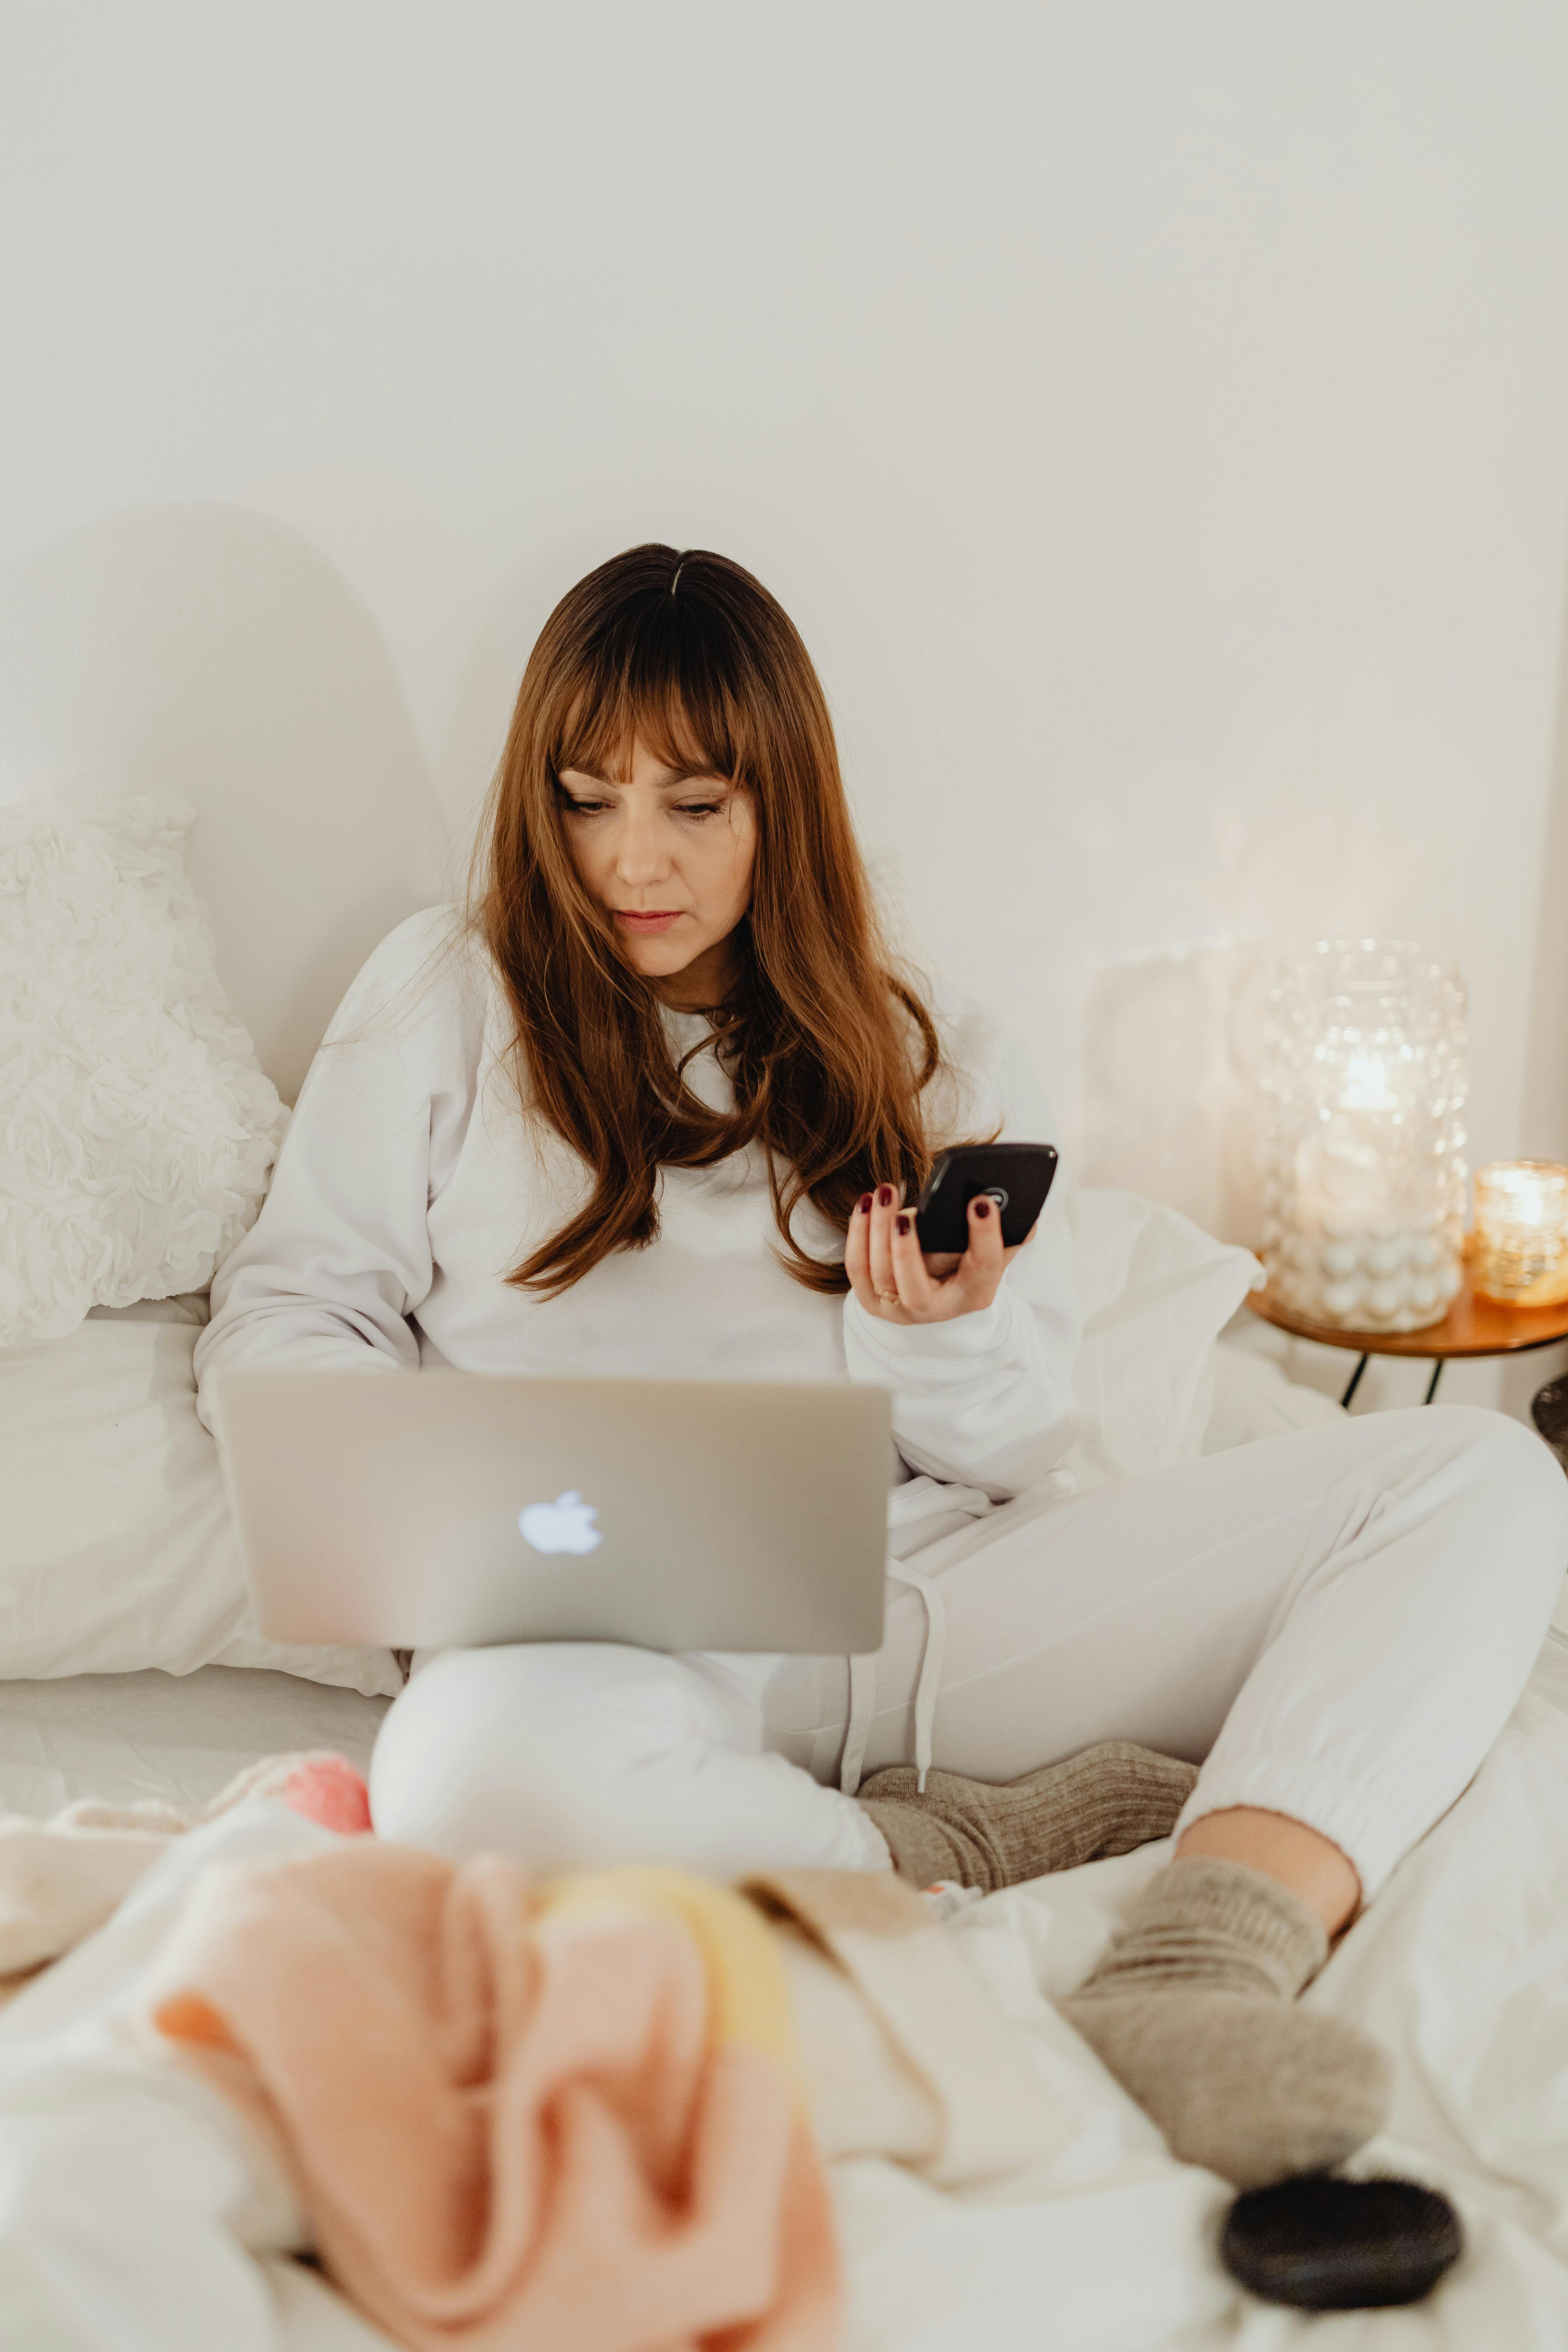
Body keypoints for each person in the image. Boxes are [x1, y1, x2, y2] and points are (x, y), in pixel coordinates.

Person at [196, 544, 1568, 2190]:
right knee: (467, 1784)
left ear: (783, 802)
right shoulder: (445, 996)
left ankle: (1202, 1950)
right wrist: (437, 1509)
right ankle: (959, 1847)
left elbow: (1019, 1457)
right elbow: (289, 1316)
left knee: (1480, 1478)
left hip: (932, 1601)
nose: (634, 861)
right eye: (587, 800)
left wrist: (943, 1340)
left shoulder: (931, 1045)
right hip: (598, 1637)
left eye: (695, 807)